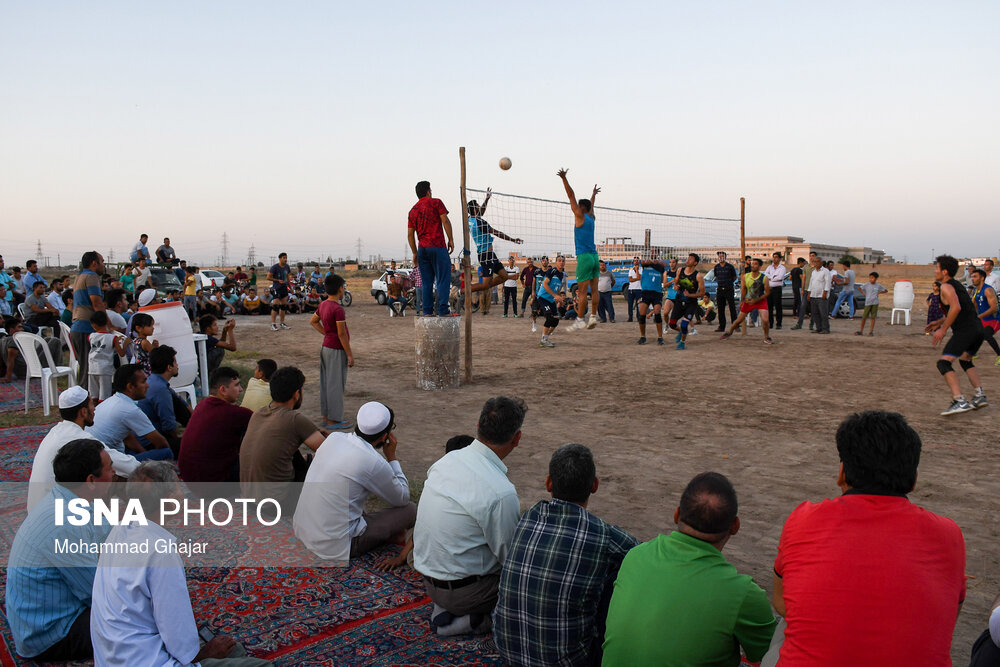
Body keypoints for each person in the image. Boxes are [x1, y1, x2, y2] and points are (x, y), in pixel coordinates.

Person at [769, 411, 965, 665]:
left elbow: (782, 603)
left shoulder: (803, 520)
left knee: (784, 631)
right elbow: (949, 616)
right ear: (913, 480)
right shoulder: (949, 535)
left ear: (842, 474)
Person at [91, 461, 274, 666]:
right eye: (180, 490)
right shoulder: (160, 552)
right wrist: (203, 654)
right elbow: (177, 635)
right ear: (170, 502)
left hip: (112, 656)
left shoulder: (119, 530)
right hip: (145, 660)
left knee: (235, 650)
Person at [603, 472, 776, 666]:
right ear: (735, 526)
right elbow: (771, 653)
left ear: (677, 514)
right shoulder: (743, 593)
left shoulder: (636, 555)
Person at [493, 444, 639, 667]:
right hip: (570, 662)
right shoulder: (602, 534)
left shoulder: (529, 517)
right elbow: (642, 555)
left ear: (548, 483)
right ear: (595, 485)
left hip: (508, 653)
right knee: (618, 571)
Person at [414, 396, 526, 636]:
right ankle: (476, 621)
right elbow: (512, 562)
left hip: (429, 582)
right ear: (517, 439)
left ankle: (446, 609)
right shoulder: (500, 492)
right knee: (533, 583)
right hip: (467, 592)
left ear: (478, 426)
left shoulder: (446, 461)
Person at [7, 439, 114, 662]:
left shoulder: (70, 497)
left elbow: (107, 532)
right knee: (138, 622)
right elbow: (98, 593)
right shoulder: (66, 524)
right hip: (50, 635)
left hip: (51, 614)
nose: (114, 474)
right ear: (92, 480)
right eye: (110, 468)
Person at [294, 401, 416, 564]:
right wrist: (392, 458)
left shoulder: (334, 438)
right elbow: (402, 498)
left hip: (302, 529)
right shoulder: (373, 461)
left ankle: (390, 532)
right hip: (334, 546)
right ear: (384, 436)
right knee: (411, 509)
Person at [26, 386, 140, 511]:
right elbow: (128, 466)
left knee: (108, 474)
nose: (95, 409)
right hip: (56, 513)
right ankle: (147, 518)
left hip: (39, 508)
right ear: (83, 412)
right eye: (92, 405)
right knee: (116, 476)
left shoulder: (56, 431)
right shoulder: (79, 438)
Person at [239, 366, 327, 515]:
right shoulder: (294, 419)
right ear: (296, 394)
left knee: (293, 452)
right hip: (277, 504)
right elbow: (329, 451)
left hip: (248, 499)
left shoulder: (259, 413)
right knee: (325, 465)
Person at [925, 254, 989, 414]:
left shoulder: (945, 287)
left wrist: (943, 329)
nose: (934, 271)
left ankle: (959, 400)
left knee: (944, 363)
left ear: (944, 271)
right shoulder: (957, 285)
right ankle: (980, 395)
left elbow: (956, 308)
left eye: (937, 268)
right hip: (977, 329)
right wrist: (939, 322)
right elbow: (961, 308)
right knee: (965, 360)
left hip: (965, 331)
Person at [178, 366, 253, 483]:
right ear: (223, 390)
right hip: (214, 482)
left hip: (189, 478)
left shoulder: (201, 406)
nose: (241, 389)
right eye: (237, 385)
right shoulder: (236, 414)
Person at [86, 364, 173, 461]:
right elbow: (161, 443)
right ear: (130, 387)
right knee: (166, 452)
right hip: (107, 462)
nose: (148, 386)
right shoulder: (129, 409)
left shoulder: (112, 400)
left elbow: (127, 437)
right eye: (144, 382)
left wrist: (144, 453)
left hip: (97, 455)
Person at [558, 169, 601, 330]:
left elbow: (571, 195)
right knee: (594, 289)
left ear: (582, 207)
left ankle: (580, 320)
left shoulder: (580, 215)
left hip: (584, 257)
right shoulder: (592, 218)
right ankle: (593, 316)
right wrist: (593, 195)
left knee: (582, 292)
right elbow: (592, 205)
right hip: (595, 256)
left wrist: (564, 178)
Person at [311, 274, 354, 429]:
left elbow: (313, 321)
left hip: (325, 348)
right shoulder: (338, 309)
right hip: (336, 349)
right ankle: (333, 420)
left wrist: (326, 333)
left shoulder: (323, 305)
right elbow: (341, 334)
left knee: (326, 383)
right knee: (336, 384)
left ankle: (326, 416)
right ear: (340, 289)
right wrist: (349, 354)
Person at [468, 188, 524, 302]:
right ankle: (461, 291)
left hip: (490, 254)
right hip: (485, 255)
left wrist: (487, 199)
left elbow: (481, 212)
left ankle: (484, 286)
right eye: (478, 205)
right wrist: (513, 240)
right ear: (475, 209)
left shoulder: (470, 219)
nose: (479, 206)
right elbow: (497, 233)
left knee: (503, 276)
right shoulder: (480, 223)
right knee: (484, 285)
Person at [408, 180, 455, 316]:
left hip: (422, 249)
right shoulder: (436, 202)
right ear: (428, 191)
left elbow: (410, 235)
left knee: (427, 282)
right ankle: (443, 310)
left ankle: (427, 312)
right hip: (437, 246)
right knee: (442, 279)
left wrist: (415, 253)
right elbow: (445, 220)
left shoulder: (413, 211)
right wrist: (450, 239)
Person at [137, 345, 192, 457]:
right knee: (196, 445)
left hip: (151, 436)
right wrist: (178, 444)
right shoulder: (160, 389)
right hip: (150, 443)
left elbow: (182, 404)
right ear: (169, 367)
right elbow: (169, 426)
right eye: (175, 362)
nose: (177, 365)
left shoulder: (154, 380)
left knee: (177, 403)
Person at [721, 257, 773, 344]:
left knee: (765, 320)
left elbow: (767, 293)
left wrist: (756, 300)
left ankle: (767, 337)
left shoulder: (764, 278)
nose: (753, 265)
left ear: (760, 267)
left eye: (755, 264)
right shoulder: (746, 276)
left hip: (760, 301)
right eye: (752, 263)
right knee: (738, 320)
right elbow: (743, 289)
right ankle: (729, 332)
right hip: (748, 301)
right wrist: (742, 301)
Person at [87, 311, 127, 401]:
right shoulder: (112, 338)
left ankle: (94, 411)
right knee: (104, 396)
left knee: (94, 396)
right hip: (105, 370)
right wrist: (125, 344)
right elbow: (122, 353)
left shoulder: (91, 336)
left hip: (92, 368)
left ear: (93, 325)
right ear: (106, 322)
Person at [672, 253, 706, 350]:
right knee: (672, 324)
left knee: (684, 323)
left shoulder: (698, 276)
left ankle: (682, 342)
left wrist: (690, 295)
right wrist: (675, 286)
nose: (688, 260)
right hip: (679, 301)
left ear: (695, 263)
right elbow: (676, 281)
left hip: (691, 303)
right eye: (688, 258)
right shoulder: (680, 270)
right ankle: (681, 331)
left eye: (690, 259)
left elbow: (702, 293)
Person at [636, 252, 667, 346]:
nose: (653, 253)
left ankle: (660, 337)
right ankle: (642, 336)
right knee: (641, 315)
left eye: (655, 251)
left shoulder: (660, 264)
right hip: (645, 292)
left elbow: (663, 266)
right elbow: (643, 263)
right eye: (652, 251)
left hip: (657, 292)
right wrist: (651, 262)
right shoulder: (646, 263)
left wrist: (655, 262)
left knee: (657, 313)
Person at [536, 255, 567, 348]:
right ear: (556, 262)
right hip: (543, 297)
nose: (561, 262)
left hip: (551, 299)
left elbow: (557, 288)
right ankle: (543, 339)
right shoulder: (552, 271)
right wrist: (555, 296)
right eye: (559, 260)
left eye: (563, 261)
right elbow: (545, 284)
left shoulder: (562, 274)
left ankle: (545, 338)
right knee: (549, 318)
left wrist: (559, 300)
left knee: (556, 320)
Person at [971, 268, 1000, 364]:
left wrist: (979, 316)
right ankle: (973, 352)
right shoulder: (976, 290)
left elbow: (994, 308)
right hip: (984, 319)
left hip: (995, 319)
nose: (972, 279)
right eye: (972, 277)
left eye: (975, 277)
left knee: (986, 334)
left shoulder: (988, 290)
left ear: (982, 278)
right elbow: (973, 305)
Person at [855, 271, 888, 336]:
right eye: (870, 278)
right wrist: (864, 294)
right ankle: (861, 331)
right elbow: (859, 288)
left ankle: (871, 331)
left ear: (876, 279)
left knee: (873, 317)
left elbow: (885, 290)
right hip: (868, 303)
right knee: (864, 317)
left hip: (875, 303)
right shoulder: (867, 284)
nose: (871, 279)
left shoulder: (878, 285)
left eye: (872, 278)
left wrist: (879, 293)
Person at [792, 251, 818, 330]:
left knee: (813, 308)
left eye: (813, 256)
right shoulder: (806, 267)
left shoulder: (817, 267)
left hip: (814, 290)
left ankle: (812, 324)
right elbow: (803, 278)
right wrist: (802, 289)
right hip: (806, 289)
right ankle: (799, 324)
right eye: (810, 256)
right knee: (802, 307)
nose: (811, 257)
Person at [806, 254, 831, 334]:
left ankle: (825, 329)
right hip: (814, 295)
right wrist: (809, 293)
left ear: (821, 263)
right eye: (814, 262)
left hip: (821, 295)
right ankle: (819, 328)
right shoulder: (814, 272)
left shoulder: (825, 271)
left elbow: (828, 283)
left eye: (817, 262)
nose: (815, 263)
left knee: (823, 313)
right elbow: (811, 283)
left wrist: (825, 292)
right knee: (814, 313)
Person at [266, 252, 292, 330]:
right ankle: (273, 324)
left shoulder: (287, 267)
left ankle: (282, 323)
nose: (285, 259)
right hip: (276, 288)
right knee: (275, 306)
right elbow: (268, 277)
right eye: (284, 258)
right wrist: (277, 280)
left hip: (284, 288)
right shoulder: (274, 267)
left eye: (286, 257)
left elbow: (287, 277)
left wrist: (290, 287)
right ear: (280, 259)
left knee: (283, 306)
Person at [764, 251, 786, 329]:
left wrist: (771, 277)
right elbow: (766, 275)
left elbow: (780, 277)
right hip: (769, 289)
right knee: (769, 307)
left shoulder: (782, 268)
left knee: (778, 307)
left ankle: (779, 323)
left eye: (776, 257)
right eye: (774, 257)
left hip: (777, 289)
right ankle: (770, 323)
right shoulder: (769, 267)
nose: (775, 259)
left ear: (779, 259)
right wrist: (774, 277)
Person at [789, 257, 806, 325]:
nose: (804, 264)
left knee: (795, 300)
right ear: (801, 263)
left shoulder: (793, 269)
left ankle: (794, 314)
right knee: (799, 301)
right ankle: (798, 314)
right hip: (798, 287)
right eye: (803, 263)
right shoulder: (799, 270)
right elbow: (802, 278)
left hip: (794, 287)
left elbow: (790, 278)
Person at [625, 256, 642, 323]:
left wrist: (637, 270)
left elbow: (639, 277)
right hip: (631, 289)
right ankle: (630, 317)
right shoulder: (630, 270)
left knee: (638, 304)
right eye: (635, 260)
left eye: (637, 260)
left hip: (639, 289)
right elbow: (630, 280)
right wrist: (636, 279)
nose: (636, 261)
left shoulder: (641, 269)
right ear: (633, 262)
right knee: (630, 304)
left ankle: (638, 317)